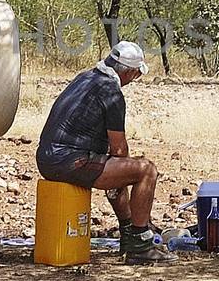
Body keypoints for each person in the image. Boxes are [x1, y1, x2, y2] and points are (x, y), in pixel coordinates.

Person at [36, 41, 174, 264]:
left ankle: (129, 230)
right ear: (129, 72)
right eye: (137, 74)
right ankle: (139, 243)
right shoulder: (112, 92)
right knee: (146, 170)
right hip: (71, 161)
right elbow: (119, 149)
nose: (135, 79)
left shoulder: (85, 78)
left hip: (47, 159)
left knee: (119, 170)